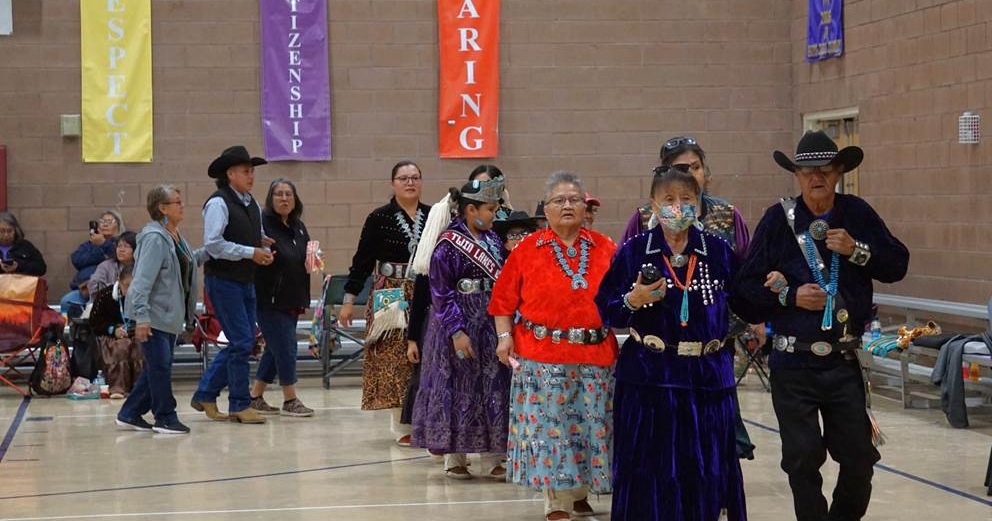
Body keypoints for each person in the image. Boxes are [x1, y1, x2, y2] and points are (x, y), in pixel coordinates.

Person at [730, 130, 909, 521]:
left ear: (839, 171)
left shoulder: (857, 213)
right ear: (796, 174)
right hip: (792, 361)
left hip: (843, 362)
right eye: (808, 171)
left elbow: (898, 264)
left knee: (860, 457)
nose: (817, 178)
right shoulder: (779, 219)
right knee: (802, 458)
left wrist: (857, 251)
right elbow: (742, 289)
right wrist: (789, 297)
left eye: (825, 170)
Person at [596, 166, 746, 521]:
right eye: (668, 200)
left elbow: (745, 303)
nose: (678, 208)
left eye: (687, 200)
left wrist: (775, 288)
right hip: (648, 379)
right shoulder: (634, 251)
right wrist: (632, 300)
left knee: (705, 472)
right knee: (648, 471)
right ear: (652, 205)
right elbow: (606, 311)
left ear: (699, 205)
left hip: (706, 379)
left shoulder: (719, 251)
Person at [489, 171, 618, 521]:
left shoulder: (606, 247)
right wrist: (504, 338)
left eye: (574, 200)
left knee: (592, 427)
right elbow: (502, 302)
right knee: (552, 430)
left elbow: (622, 299)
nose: (567, 206)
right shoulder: (526, 250)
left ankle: (579, 492)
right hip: (542, 356)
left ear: (585, 207)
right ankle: (557, 500)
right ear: (544, 209)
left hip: (595, 354)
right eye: (558, 200)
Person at [621, 136, 758, 460]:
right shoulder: (643, 219)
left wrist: (757, 319)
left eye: (694, 167)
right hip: (661, 344)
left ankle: (716, 485)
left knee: (715, 419)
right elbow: (623, 275)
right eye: (679, 168)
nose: (689, 173)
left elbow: (747, 271)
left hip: (714, 340)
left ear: (705, 173)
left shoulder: (726, 214)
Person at [411, 178, 509, 479]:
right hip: (457, 326)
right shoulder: (447, 244)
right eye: (489, 209)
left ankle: (495, 455)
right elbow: (440, 293)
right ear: (470, 209)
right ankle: (455, 457)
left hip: (489, 322)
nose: (494, 215)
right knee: (458, 385)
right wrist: (456, 331)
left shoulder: (493, 240)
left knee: (492, 384)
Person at [339, 160, 430, 445]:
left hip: (425, 290)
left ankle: (425, 419)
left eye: (415, 177)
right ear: (393, 183)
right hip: (389, 291)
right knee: (393, 356)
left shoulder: (433, 215)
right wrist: (348, 300)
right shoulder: (379, 217)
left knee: (426, 352)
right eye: (403, 178)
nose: (410, 182)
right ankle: (401, 426)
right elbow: (362, 262)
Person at [192, 145, 273, 425]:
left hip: (245, 279)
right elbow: (214, 245)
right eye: (246, 171)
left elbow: (251, 234)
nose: (251, 176)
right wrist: (251, 252)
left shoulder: (250, 202)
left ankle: (206, 392)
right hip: (223, 280)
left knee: (244, 342)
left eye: (252, 171)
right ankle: (239, 403)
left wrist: (261, 241)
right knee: (241, 342)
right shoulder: (218, 203)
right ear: (230, 174)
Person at [116, 185, 205, 434]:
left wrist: (212, 251)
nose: (182, 205)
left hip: (168, 316)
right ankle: (165, 416)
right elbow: (141, 282)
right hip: (153, 316)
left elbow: (187, 263)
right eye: (177, 202)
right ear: (162, 208)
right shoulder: (155, 237)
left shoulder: (175, 235)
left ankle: (129, 413)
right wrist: (142, 318)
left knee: (158, 366)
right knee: (160, 367)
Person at [248, 179, 314, 417]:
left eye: (289, 194)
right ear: (270, 198)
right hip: (269, 297)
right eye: (278, 194)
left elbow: (304, 253)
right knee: (286, 347)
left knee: (275, 349)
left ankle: (255, 396)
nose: (284, 198)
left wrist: (314, 258)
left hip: (294, 295)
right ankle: (290, 399)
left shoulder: (299, 226)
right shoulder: (262, 225)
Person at [88, 265, 142, 399]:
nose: (130, 290)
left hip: (135, 331)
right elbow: (94, 322)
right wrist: (113, 330)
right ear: (119, 281)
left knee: (140, 346)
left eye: (134, 286)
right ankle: (118, 387)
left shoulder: (142, 296)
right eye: (127, 285)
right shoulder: (105, 295)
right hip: (111, 334)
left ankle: (140, 387)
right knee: (121, 346)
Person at [62, 210, 124, 314]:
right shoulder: (89, 244)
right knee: (66, 301)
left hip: (109, 289)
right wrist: (98, 248)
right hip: (85, 290)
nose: (105, 224)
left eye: (109, 221)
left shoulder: (121, 242)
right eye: (102, 221)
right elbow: (76, 260)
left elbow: (119, 256)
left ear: (118, 225)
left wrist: (104, 243)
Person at [0, 212, 46, 276]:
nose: (6, 235)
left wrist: (18, 266)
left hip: (21, 285)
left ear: (15, 230)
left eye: (9, 231)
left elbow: (41, 268)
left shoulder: (26, 246)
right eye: (2, 231)